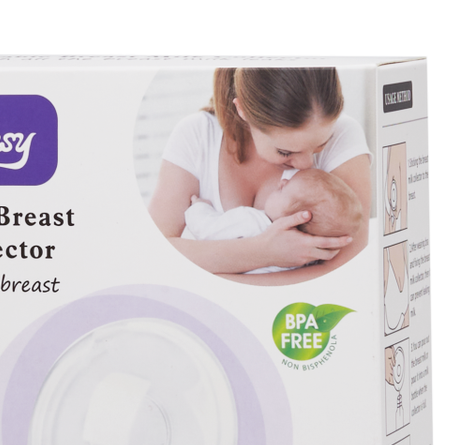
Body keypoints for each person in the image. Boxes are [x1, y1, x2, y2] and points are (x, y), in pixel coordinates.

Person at [148, 67, 371, 283]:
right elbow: (154, 252)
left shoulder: (343, 135)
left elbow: (348, 270)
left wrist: (220, 282)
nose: (307, 164)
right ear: (243, 110)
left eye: (320, 145)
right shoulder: (197, 135)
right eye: (285, 152)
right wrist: (263, 253)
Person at [184, 167, 364, 273]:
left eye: (284, 189)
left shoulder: (251, 221)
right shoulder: (310, 258)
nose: (282, 182)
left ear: (296, 219)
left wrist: (200, 206)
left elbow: (205, 229)